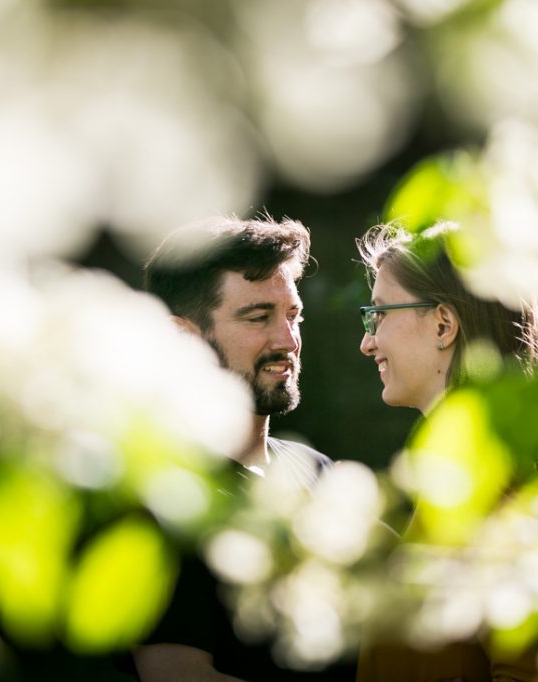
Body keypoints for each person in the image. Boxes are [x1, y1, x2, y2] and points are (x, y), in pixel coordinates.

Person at [354, 221, 538, 682]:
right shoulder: (455, 480)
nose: (367, 341)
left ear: (443, 324)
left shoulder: (496, 489)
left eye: (379, 315)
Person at [130, 214, 336, 681]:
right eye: (259, 317)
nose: (288, 341)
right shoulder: (166, 498)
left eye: (293, 315)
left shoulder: (321, 474)